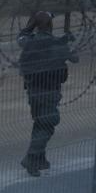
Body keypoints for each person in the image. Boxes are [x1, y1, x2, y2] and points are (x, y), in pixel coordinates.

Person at [17, 11, 78, 176]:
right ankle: (31, 158)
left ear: (36, 26)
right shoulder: (57, 44)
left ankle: (40, 159)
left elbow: (21, 36)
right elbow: (75, 58)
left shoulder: (28, 42)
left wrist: (32, 24)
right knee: (48, 124)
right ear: (50, 25)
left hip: (33, 91)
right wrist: (67, 41)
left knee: (40, 123)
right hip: (50, 91)